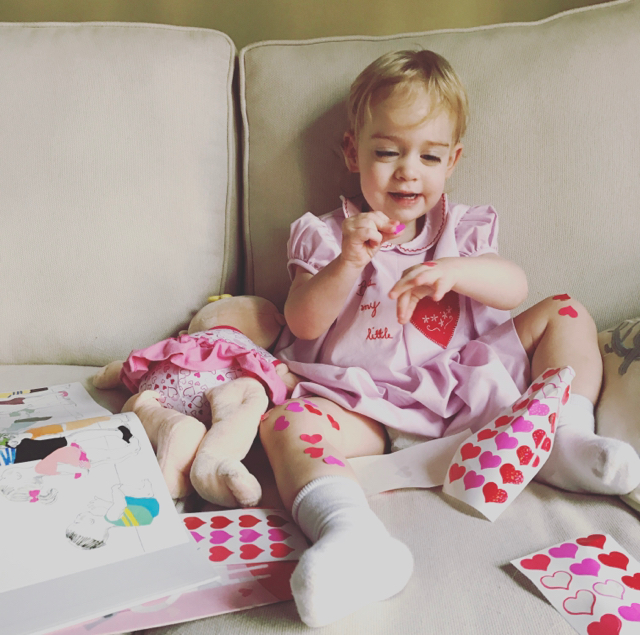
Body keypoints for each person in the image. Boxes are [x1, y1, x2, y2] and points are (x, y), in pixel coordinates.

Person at [259, 49, 640, 627]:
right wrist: (348, 263)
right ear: (352, 152)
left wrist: (457, 271)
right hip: (365, 402)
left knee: (566, 311)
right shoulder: (327, 235)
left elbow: (513, 288)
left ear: (452, 160)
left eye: (429, 156)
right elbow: (303, 323)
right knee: (286, 423)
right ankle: (352, 536)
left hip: (467, 385)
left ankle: (560, 437)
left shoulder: (460, 229)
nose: (408, 171)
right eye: (387, 152)